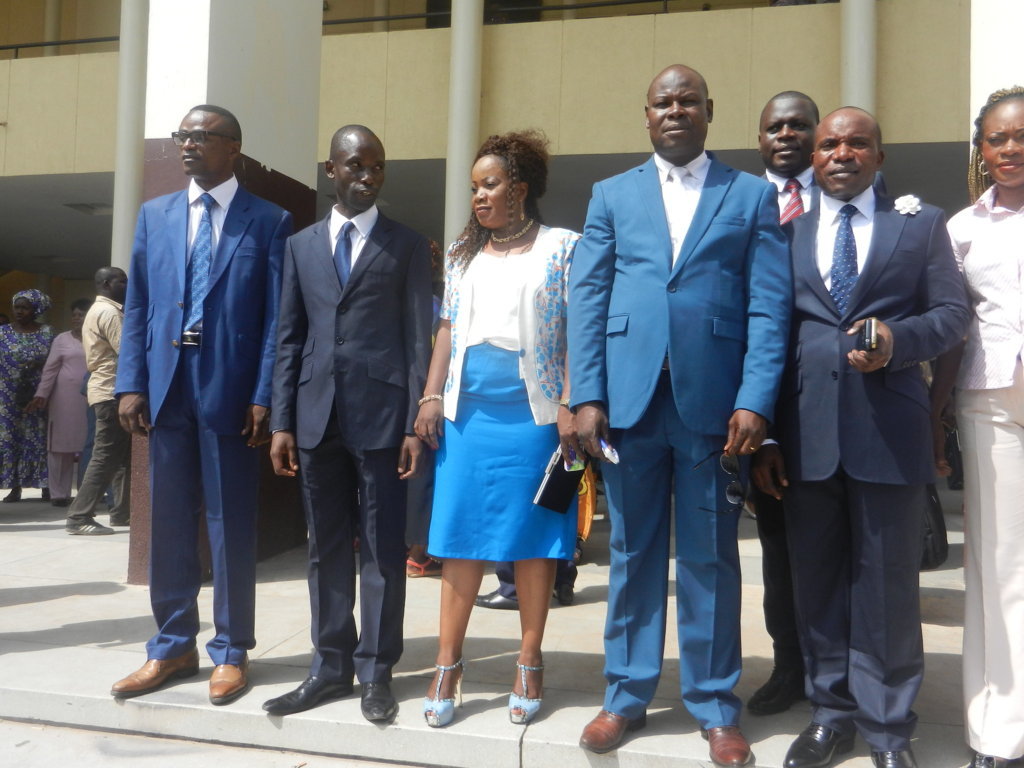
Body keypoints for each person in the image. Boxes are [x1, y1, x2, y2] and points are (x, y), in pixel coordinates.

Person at [568, 64, 791, 767]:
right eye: (662, 102)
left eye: (687, 101)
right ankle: (625, 695)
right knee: (631, 553)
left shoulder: (750, 195)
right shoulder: (611, 195)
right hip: (628, 407)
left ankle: (716, 705)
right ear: (646, 115)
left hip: (712, 409)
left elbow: (768, 306)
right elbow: (588, 298)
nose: (675, 111)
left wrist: (755, 399)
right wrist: (586, 394)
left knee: (709, 558)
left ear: (708, 111)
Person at [753, 107, 969, 768]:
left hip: (889, 434)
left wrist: (899, 340)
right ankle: (831, 714)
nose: (841, 154)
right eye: (829, 145)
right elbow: (769, 333)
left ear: (879, 156)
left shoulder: (920, 225)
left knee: (887, 590)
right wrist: (767, 436)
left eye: (856, 143)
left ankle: (888, 728)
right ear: (814, 158)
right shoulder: (785, 230)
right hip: (805, 437)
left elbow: (953, 315)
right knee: (816, 585)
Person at [111, 105, 292, 706]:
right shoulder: (155, 214)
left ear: (233, 147)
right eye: (182, 136)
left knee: (229, 522)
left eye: (202, 137)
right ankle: (171, 645)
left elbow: (277, 318)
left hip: (231, 390)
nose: (187, 145)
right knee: (167, 522)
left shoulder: (269, 220)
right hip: (166, 386)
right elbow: (139, 305)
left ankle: (232, 650)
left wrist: (264, 392)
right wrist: (130, 381)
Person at [264, 125, 432, 724]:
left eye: (377, 166)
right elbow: (289, 337)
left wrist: (413, 422)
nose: (368, 176)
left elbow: (418, 338)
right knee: (325, 547)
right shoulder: (300, 246)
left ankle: (376, 669)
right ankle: (330, 665)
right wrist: (282, 419)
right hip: (315, 417)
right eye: (356, 165)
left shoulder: (406, 245)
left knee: (383, 549)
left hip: (383, 418)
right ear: (331, 171)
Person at [415, 130, 580, 728]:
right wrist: (431, 394)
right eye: (474, 188)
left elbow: (579, 329)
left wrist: (570, 402)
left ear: (521, 187)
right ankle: (447, 664)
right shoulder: (463, 254)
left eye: (490, 184)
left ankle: (529, 660)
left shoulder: (563, 247)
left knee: (534, 541)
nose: (479, 196)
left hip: (534, 418)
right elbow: (446, 328)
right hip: (468, 418)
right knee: (459, 538)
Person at [930, 85, 1024, 768]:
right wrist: (934, 420)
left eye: (1022, 136)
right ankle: (998, 731)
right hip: (992, 404)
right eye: (998, 138)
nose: (1011, 148)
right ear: (981, 149)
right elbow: (951, 332)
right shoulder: (961, 229)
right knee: (999, 568)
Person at [745, 90, 820, 717]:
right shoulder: (740, 203)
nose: (787, 135)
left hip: (837, 405)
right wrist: (761, 424)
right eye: (776, 127)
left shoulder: (855, 201)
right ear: (760, 139)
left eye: (799, 126)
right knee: (779, 548)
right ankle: (789, 665)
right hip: (765, 412)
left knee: (842, 549)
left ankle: (839, 672)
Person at [64, 268, 130, 535]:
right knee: (104, 456)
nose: (127, 285)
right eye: (122, 281)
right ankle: (79, 517)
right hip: (110, 391)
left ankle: (122, 513)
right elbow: (127, 352)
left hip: (108, 391)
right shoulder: (108, 312)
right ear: (106, 284)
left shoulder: (101, 310)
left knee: (123, 458)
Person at [28, 298, 91, 506]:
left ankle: (87, 494)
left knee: (89, 446)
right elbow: (50, 369)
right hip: (63, 400)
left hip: (90, 398)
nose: (76, 318)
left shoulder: (98, 337)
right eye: (74, 315)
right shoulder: (62, 339)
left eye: (81, 314)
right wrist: (41, 394)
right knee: (59, 447)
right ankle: (59, 494)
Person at [0, 290, 55, 503]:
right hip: (7, 397)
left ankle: (46, 485)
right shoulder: (2, 333)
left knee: (39, 438)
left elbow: (55, 361)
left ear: (36, 310)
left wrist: (39, 364)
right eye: (17, 307)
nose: (19, 311)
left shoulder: (47, 332)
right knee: (10, 439)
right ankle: (14, 487)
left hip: (38, 396)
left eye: (25, 308)